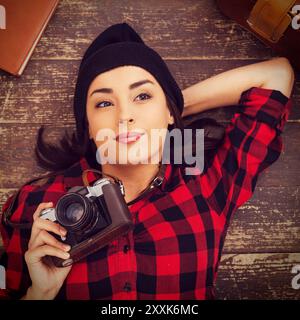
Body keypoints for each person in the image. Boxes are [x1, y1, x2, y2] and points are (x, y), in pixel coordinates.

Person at [0, 23, 294, 300]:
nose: (124, 116)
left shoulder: (207, 185)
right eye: (104, 103)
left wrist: (172, 106)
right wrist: (39, 294)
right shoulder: (35, 205)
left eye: (142, 96)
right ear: (87, 125)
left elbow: (277, 75)